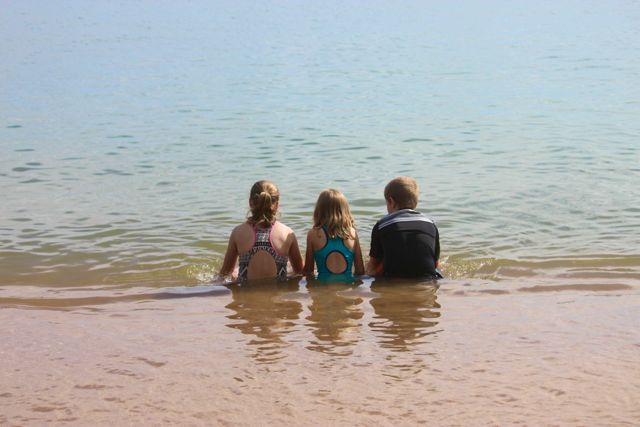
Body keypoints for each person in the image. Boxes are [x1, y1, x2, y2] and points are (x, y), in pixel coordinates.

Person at [220, 180, 304, 281]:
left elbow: (224, 274)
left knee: (234, 270)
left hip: (245, 290)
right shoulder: (287, 233)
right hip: (278, 290)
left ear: (250, 202)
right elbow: (300, 272)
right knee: (289, 266)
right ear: (277, 205)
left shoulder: (238, 232)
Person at [366, 176, 441, 279]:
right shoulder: (430, 224)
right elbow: (436, 263)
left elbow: (373, 266)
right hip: (427, 280)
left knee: (372, 267)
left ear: (391, 201)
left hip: (391, 280)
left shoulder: (382, 225)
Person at [303, 189, 365, 280]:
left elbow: (308, 271)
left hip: (322, 286)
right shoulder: (352, 233)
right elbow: (360, 271)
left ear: (319, 209)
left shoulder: (313, 234)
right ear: (344, 210)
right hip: (347, 286)